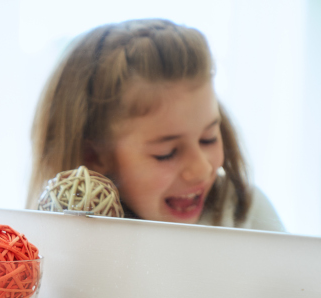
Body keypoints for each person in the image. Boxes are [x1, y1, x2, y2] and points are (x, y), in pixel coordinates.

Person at [27, 19, 285, 232]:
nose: (202, 169)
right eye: (167, 153)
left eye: (208, 138)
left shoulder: (249, 215)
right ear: (93, 155)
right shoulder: (69, 240)